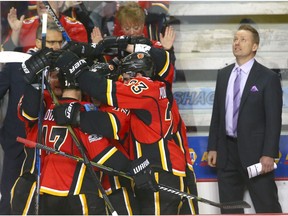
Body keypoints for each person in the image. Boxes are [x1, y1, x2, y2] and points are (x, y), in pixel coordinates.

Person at [207, 24, 282, 214]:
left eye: (243, 40)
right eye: (235, 39)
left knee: (267, 206)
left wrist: (269, 153)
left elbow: (274, 119)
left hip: (257, 155)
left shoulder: (268, 77)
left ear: (255, 46)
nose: (237, 43)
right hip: (226, 153)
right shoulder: (223, 75)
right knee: (230, 208)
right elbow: (217, 114)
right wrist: (213, 147)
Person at [8, 22, 63, 215]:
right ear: (39, 42)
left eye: (59, 42)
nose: (56, 47)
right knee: (16, 193)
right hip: (21, 139)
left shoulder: (65, 64)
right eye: (52, 42)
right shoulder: (22, 62)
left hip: (56, 146)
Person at [3, 1, 88, 53]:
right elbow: (7, 55)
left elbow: (79, 57)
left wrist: (53, 23)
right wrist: (16, 32)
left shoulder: (75, 27)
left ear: (60, 3)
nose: (41, 1)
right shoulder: (24, 25)